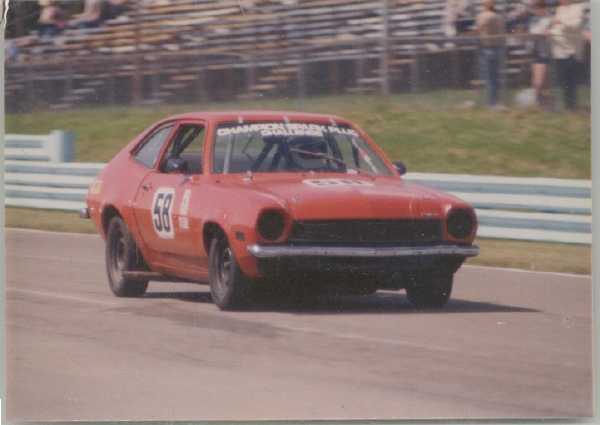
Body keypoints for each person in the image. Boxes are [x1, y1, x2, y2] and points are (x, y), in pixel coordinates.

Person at [549, 0, 584, 110]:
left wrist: (561, 22)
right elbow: (557, 28)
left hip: (572, 49)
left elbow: (576, 25)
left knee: (570, 79)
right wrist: (551, 32)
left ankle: (572, 106)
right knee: (564, 79)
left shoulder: (577, 9)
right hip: (559, 50)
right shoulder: (560, 10)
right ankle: (567, 105)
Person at [475, 0, 503, 107]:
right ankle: (497, 101)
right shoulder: (497, 16)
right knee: (495, 77)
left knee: (489, 78)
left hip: (487, 48)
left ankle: (491, 103)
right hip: (497, 48)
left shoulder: (482, 16)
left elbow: (477, 30)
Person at [527, 0, 554, 109]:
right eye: (537, 7)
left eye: (541, 7)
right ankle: (541, 107)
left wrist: (542, 31)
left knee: (541, 82)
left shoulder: (549, 19)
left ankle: (546, 107)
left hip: (545, 53)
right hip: (535, 52)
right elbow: (531, 32)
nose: (539, 10)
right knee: (537, 83)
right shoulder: (532, 19)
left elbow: (546, 31)